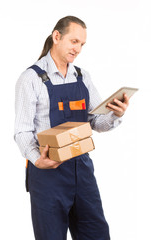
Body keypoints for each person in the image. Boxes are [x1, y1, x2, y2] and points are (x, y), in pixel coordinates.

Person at [14, 16, 129, 240]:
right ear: (57, 37)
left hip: (82, 170)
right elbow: (22, 131)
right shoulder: (31, 79)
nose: (78, 49)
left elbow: (96, 122)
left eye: (82, 44)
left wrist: (116, 113)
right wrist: (38, 160)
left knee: (96, 234)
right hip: (48, 175)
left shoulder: (82, 76)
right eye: (74, 41)